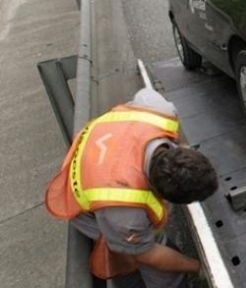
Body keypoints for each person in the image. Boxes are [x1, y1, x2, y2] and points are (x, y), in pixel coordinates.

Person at [45, 87, 218, 288]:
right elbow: (149, 256)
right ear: (162, 196)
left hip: (102, 155)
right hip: (86, 204)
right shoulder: (125, 214)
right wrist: (198, 266)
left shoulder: (157, 110)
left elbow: (145, 92)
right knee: (152, 265)